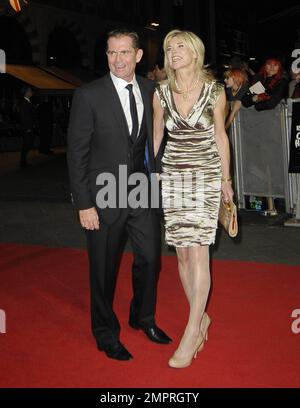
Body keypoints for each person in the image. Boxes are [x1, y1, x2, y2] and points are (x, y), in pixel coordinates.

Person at [67, 28, 171, 362]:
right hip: (103, 195)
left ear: (138, 56)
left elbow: (156, 139)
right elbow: (76, 153)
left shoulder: (151, 89)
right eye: (112, 53)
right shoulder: (89, 95)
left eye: (125, 52)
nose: (118, 59)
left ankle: (142, 318)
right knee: (103, 268)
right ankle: (105, 332)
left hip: (140, 190)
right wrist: (84, 203)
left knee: (151, 259)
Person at [153, 29, 233, 368]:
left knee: (198, 252)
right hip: (174, 177)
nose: (173, 51)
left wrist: (227, 181)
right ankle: (200, 317)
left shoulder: (215, 92)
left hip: (205, 177)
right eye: (170, 47)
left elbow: (220, 136)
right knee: (182, 255)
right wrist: (147, 173)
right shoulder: (160, 92)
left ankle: (192, 330)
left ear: (196, 52)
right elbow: (156, 135)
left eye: (180, 46)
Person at [19, 85, 36, 168]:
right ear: (26, 93)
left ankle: (23, 161)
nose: (31, 92)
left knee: (27, 144)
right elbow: (24, 117)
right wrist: (28, 128)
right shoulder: (24, 103)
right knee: (26, 145)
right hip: (27, 128)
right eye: (29, 91)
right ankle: (23, 162)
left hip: (28, 127)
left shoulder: (27, 102)